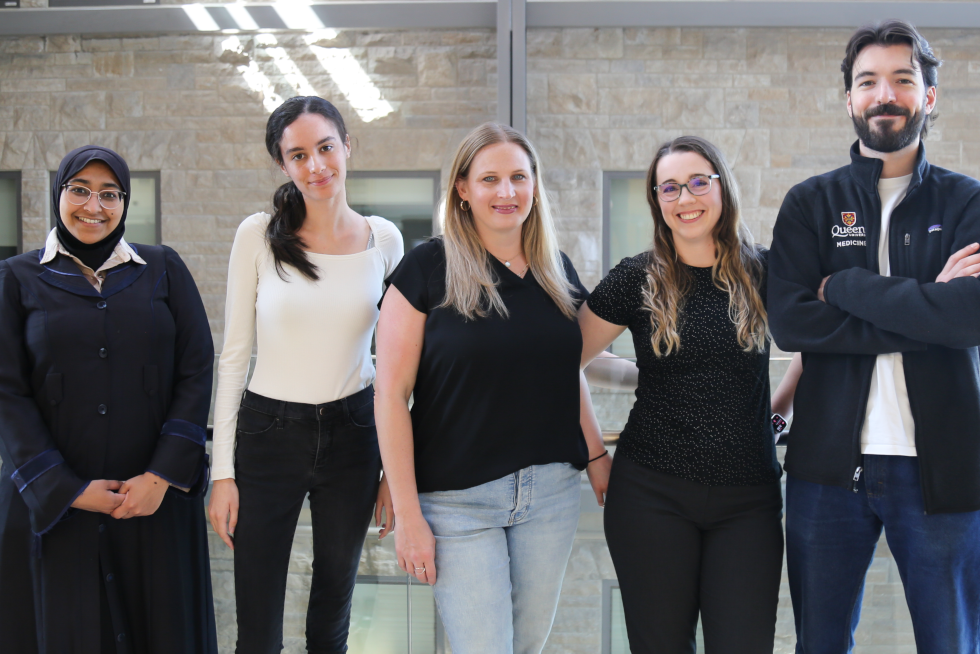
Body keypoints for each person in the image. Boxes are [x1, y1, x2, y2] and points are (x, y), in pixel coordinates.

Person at [768, 20, 980, 653]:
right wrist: (926, 308)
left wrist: (844, 284)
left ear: (929, 96)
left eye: (902, 80)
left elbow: (967, 318)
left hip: (947, 469)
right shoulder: (809, 204)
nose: (884, 94)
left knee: (953, 643)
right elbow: (791, 323)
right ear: (849, 99)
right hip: (825, 470)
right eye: (868, 82)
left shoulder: (968, 203)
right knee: (820, 644)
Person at [375, 122, 611, 654]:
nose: (507, 191)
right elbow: (389, 395)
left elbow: (564, 369)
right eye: (489, 179)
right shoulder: (426, 267)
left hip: (550, 495)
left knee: (525, 648)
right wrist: (408, 515)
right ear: (462, 188)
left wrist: (597, 455)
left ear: (535, 185)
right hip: (456, 502)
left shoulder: (555, 270)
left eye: (519, 177)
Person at [0, 145, 217, 653]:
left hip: (151, 505)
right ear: (58, 194)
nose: (93, 206)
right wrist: (66, 489)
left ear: (125, 201)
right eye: (79, 190)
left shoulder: (163, 268)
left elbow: (196, 369)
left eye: (109, 194)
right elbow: (6, 391)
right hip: (53, 510)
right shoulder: (15, 278)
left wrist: (161, 477)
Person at [207, 96, 402, 654]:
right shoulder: (257, 234)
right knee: (257, 620)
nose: (316, 165)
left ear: (347, 146)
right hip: (268, 435)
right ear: (283, 164)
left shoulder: (383, 239)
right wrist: (222, 473)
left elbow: (399, 365)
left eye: (325, 147)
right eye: (298, 155)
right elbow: (234, 356)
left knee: (334, 609)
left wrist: (394, 470)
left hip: (355, 435)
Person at [579, 135, 785, 653]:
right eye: (669, 188)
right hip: (651, 495)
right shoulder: (636, 278)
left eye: (697, 182)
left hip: (748, 503)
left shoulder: (765, 272)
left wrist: (777, 414)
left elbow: (820, 346)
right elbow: (563, 364)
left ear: (722, 187)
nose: (685, 198)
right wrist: (594, 454)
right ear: (657, 201)